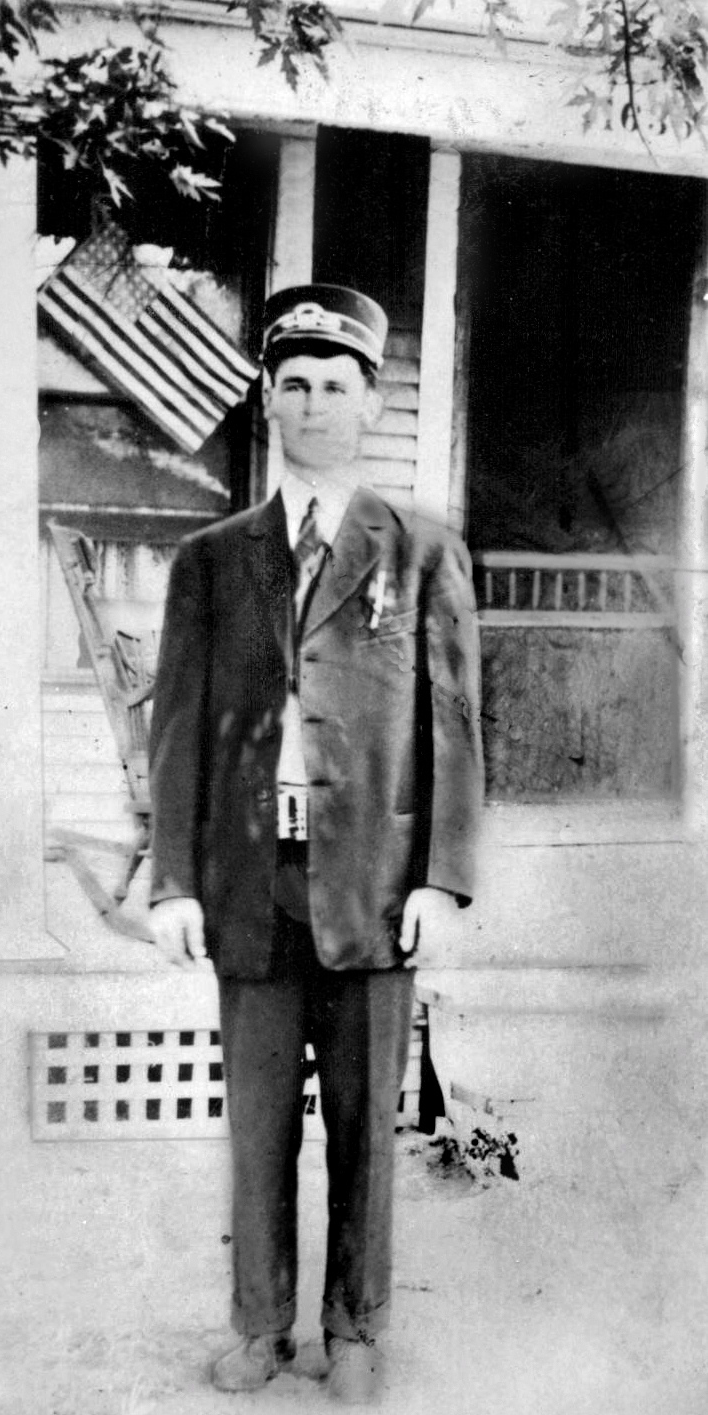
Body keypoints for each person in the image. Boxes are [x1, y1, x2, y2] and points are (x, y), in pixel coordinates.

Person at [147, 284, 483, 1405]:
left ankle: (354, 1327)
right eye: (294, 383)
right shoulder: (212, 559)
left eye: (337, 385)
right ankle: (259, 1327)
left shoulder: (423, 552)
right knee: (256, 1129)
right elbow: (177, 730)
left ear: (369, 404)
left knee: (363, 1124)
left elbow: (454, 725)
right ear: (268, 399)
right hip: (252, 880)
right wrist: (173, 882)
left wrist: (441, 878)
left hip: (374, 887)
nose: (314, 403)